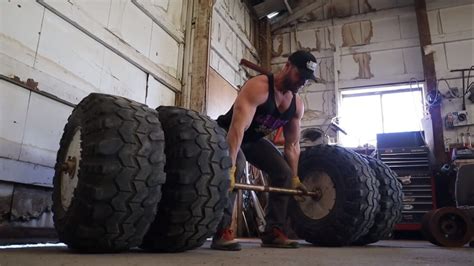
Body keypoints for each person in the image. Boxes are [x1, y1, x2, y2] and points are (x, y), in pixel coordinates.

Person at [211, 50, 318, 251]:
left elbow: (292, 145)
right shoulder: (258, 87)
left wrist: (294, 179)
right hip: (227, 132)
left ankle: (273, 232)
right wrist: (230, 168)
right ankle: (221, 231)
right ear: (287, 66)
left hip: (253, 139)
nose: (301, 83)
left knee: (283, 173)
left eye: (306, 79)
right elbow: (237, 129)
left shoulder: (296, 105)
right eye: (299, 76)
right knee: (238, 165)